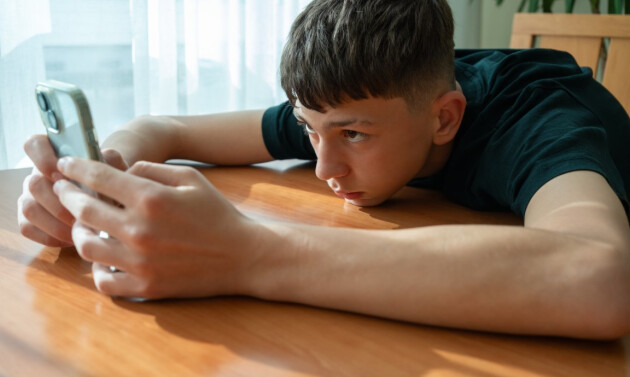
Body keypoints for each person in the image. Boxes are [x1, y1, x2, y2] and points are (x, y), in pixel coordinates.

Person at [18, 0, 630, 339]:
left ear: (444, 119)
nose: (322, 166)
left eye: (352, 136)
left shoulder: (542, 120)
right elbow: (166, 128)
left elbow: (599, 277)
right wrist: (106, 175)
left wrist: (247, 254)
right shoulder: (351, 105)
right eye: (309, 129)